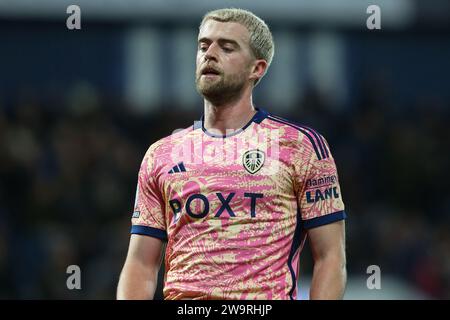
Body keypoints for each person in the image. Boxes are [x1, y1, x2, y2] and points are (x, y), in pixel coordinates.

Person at [117, 8, 347, 300]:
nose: (209, 54)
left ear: (257, 68)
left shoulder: (300, 146)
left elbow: (330, 257)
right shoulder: (161, 154)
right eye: (203, 45)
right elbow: (140, 264)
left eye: (226, 47)